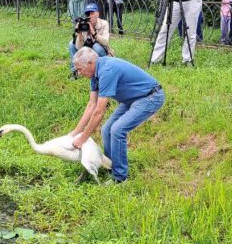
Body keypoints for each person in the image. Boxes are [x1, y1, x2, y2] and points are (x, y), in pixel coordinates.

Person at [70, 48, 165, 183]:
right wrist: (76, 132)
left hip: (150, 96)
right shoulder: (95, 74)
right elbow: (92, 104)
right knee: (106, 130)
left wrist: (82, 139)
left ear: (91, 63)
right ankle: (111, 166)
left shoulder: (107, 71)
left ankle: (120, 178)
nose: (79, 73)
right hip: (132, 99)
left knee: (117, 130)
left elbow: (99, 111)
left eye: (80, 69)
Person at [68, 2, 113, 78]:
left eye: (92, 13)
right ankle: (76, 71)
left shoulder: (104, 23)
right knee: (71, 44)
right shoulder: (84, 24)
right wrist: (79, 35)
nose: (90, 16)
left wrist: (93, 33)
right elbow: (79, 48)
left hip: (101, 50)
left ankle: (103, 69)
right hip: (87, 49)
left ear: (97, 14)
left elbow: (106, 42)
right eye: (88, 14)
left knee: (96, 47)